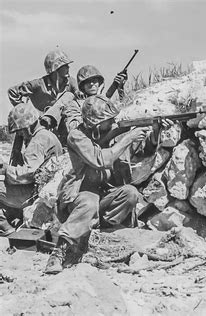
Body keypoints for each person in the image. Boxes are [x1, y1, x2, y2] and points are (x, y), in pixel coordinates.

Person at [44, 95, 170, 274]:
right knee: (89, 202)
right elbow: (100, 159)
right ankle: (59, 253)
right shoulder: (77, 136)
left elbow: (143, 151)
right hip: (81, 195)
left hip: (106, 195)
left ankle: (101, 232)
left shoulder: (113, 136)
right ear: (94, 123)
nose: (113, 124)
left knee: (130, 193)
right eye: (107, 121)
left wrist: (155, 131)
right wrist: (128, 138)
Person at [0, 103, 62, 236]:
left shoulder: (38, 140)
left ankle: (5, 226)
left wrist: (5, 169)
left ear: (28, 126)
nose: (20, 134)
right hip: (46, 193)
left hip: (36, 194)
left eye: (20, 130)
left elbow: (28, 175)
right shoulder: (46, 135)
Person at [7, 50, 79, 163]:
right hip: (40, 129)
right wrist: (25, 114)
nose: (68, 68)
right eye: (65, 66)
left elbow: (80, 95)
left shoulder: (71, 83)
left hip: (62, 129)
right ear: (56, 68)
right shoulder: (38, 85)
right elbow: (13, 92)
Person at [43, 65, 127, 145]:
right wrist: (96, 99)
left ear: (99, 83)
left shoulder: (104, 102)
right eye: (87, 82)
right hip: (83, 147)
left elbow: (124, 113)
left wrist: (120, 90)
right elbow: (74, 129)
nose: (91, 84)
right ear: (82, 86)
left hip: (105, 144)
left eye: (94, 80)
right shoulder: (74, 104)